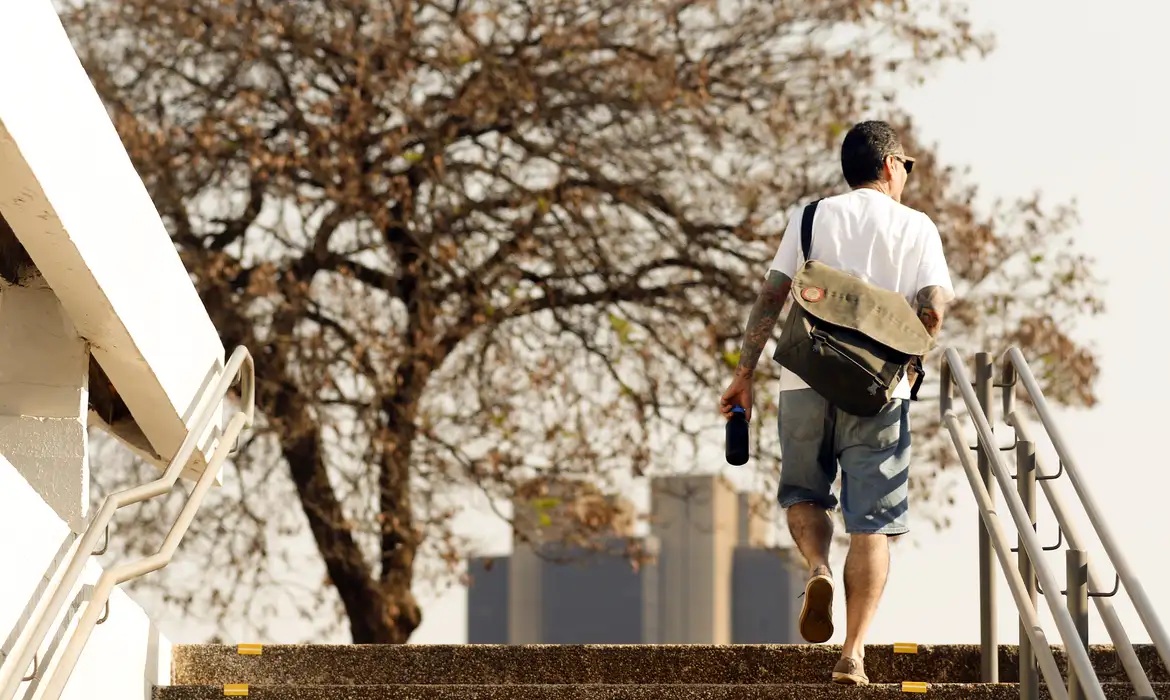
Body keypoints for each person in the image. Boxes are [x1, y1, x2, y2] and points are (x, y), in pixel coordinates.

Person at [719, 120, 954, 686]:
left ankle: (818, 568)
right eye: (907, 168)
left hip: (804, 380)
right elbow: (934, 307)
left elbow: (772, 295)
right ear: (891, 165)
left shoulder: (811, 216)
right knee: (872, 524)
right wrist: (911, 352)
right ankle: (852, 654)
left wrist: (743, 374)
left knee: (804, 494)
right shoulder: (918, 227)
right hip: (879, 392)